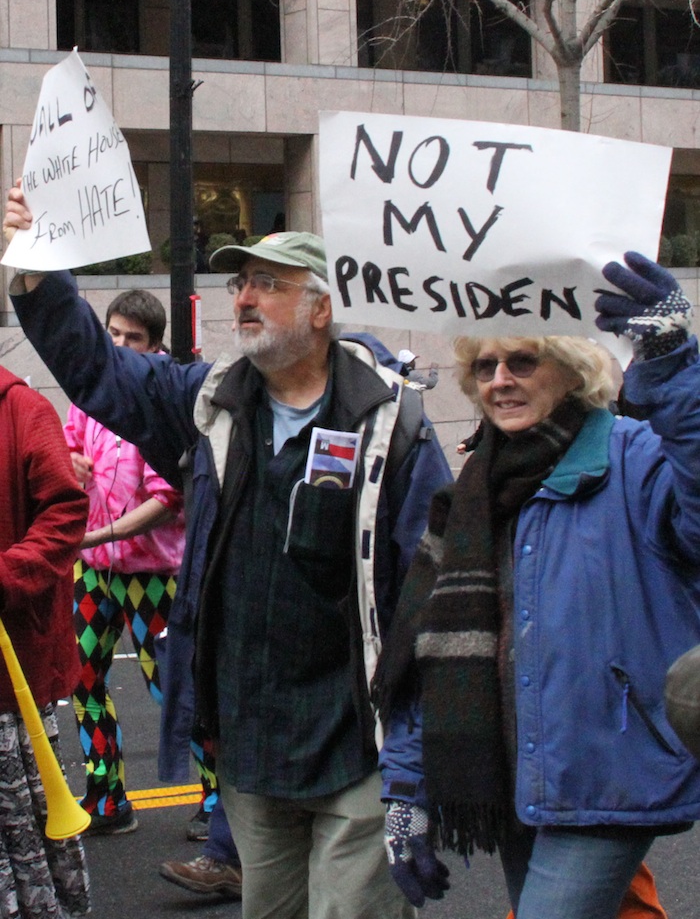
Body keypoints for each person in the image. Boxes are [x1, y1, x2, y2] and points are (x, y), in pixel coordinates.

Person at [4, 191, 453, 919]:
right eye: (239, 282)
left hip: (357, 746)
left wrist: (416, 761)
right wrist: (36, 264)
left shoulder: (388, 424)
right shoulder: (209, 401)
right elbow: (98, 370)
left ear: (320, 309)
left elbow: (429, 600)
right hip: (250, 743)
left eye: (267, 283)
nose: (243, 297)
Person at [373, 251, 700, 919]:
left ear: (572, 369)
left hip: (608, 774)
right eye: (485, 366)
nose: (500, 380)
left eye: (522, 361)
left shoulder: (633, 459)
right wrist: (406, 790)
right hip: (515, 778)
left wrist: (673, 363)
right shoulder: (472, 493)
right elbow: (425, 652)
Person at [63, 288, 217, 838]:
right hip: (93, 570)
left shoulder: (163, 402)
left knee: (174, 687)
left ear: (155, 346)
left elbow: (168, 499)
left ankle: (218, 800)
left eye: (134, 337)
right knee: (81, 678)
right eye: (113, 334)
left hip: (153, 574)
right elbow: (66, 448)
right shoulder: (87, 394)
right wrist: (70, 461)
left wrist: (97, 535)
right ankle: (106, 797)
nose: (121, 345)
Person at [0, 362, 90, 917]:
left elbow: (66, 511)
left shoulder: (24, 411)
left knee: (23, 831)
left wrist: (7, 574)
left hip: (12, 676)